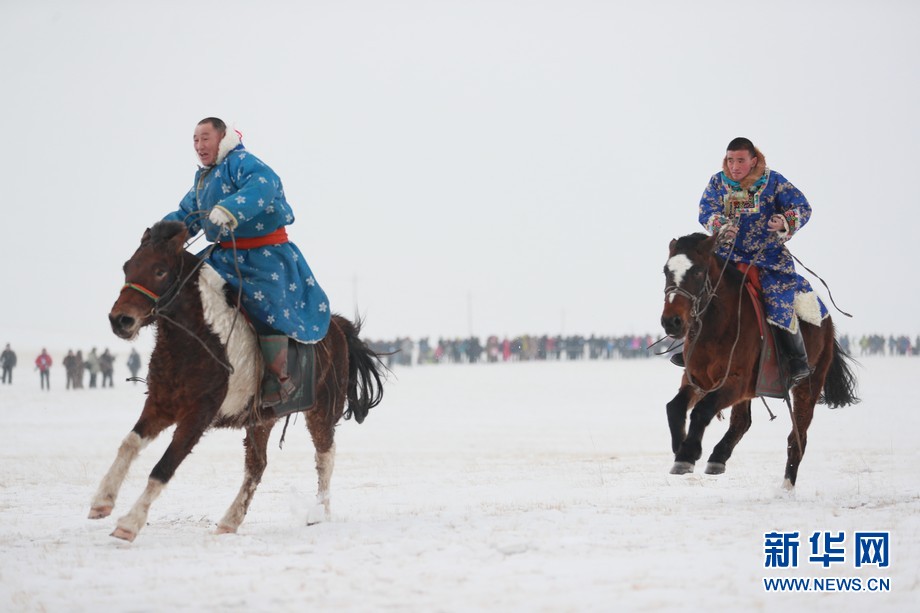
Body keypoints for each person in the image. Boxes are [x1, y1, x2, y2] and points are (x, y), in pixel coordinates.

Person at [163, 117, 330, 406]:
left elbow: (264, 186)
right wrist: (160, 237)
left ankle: (279, 379)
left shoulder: (242, 162)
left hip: (265, 256)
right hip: (226, 255)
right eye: (195, 139)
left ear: (222, 137)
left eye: (205, 138)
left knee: (267, 307)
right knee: (186, 285)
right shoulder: (204, 179)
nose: (199, 145)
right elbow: (186, 214)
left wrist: (230, 209)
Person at [686, 137, 828, 383]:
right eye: (730, 160)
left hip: (768, 259)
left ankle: (795, 359)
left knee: (778, 301)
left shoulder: (773, 182)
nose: (734, 166)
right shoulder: (717, 183)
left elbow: (802, 206)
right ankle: (688, 348)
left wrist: (785, 221)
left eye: (740, 160)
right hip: (727, 257)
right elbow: (706, 210)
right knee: (697, 291)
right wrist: (720, 225)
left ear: (753, 160)